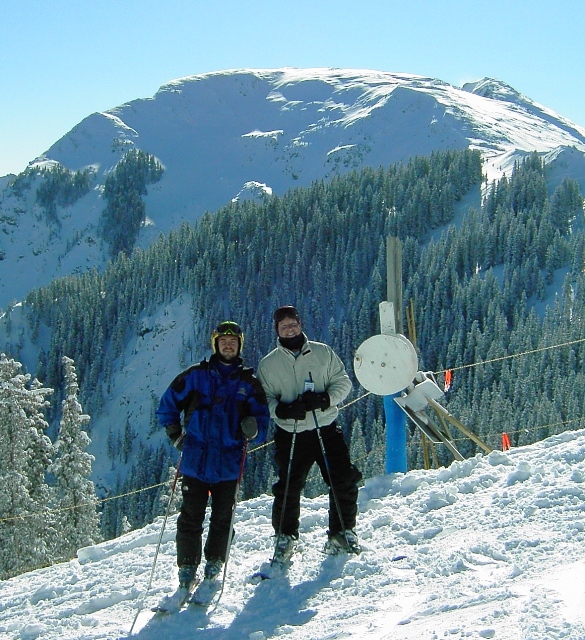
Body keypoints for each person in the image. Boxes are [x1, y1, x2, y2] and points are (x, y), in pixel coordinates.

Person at [156, 321, 269, 591]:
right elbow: (167, 404)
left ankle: (215, 561)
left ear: (240, 345)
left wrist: (255, 430)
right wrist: (174, 435)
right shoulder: (196, 376)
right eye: (223, 341)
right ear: (215, 344)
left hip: (229, 462)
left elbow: (263, 421)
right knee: (190, 516)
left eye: (233, 341)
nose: (228, 345)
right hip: (195, 460)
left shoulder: (248, 383)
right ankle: (186, 566)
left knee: (223, 517)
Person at [257, 305, 362, 562]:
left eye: (293, 323)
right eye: (284, 326)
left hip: (325, 428)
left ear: (300, 324)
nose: (289, 329)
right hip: (291, 434)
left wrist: (325, 398)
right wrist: (282, 410)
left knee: (342, 480)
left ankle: (342, 532)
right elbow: (263, 399)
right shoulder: (269, 364)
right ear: (277, 330)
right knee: (288, 487)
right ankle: (285, 536)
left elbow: (343, 382)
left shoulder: (323, 352)